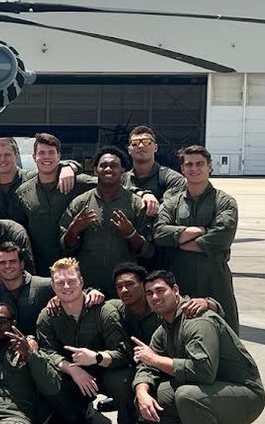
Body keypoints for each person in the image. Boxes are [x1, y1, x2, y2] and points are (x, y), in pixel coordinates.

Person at [132, 270, 265, 424]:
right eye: (149, 293)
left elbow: (202, 372)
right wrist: (142, 391)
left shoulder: (198, 321)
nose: (154, 297)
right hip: (213, 392)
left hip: (245, 397)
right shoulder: (165, 328)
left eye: (160, 290)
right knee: (151, 398)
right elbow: (147, 368)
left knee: (188, 395)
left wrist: (154, 359)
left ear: (175, 291)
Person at [36, 258, 134, 424]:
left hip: (105, 370)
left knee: (122, 377)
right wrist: (73, 370)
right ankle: (75, 415)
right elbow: (46, 351)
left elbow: (123, 353)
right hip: (74, 375)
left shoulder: (104, 311)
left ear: (81, 282)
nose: (66, 287)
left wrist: (96, 358)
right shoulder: (48, 316)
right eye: (60, 283)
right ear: (53, 286)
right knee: (45, 373)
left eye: (72, 281)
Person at [153, 144, 241, 332]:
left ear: (209, 166)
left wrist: (180, 242)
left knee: (223, 330)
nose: (194, 169)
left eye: (199, 164)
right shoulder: (172, 203)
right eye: (189, 164)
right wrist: (198, 230)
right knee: (177, 330)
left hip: (213, 278)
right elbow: (159, 233)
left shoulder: (224, 202)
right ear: (182, 169)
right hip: (179, 278)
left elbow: (222, 237)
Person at [61, 146, 153, 297]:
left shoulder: (136, 204)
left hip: (125, 287)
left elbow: (149, 250)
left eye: (114, 165)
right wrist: (74, 230)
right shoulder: (80, 203)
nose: (108, 169)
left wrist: (131, 234)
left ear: (123, 170)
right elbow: (65, 248)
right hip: (88, 286)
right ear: (95, 170)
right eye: (103, 165)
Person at [8, 132, 96, 276]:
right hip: (39, 269)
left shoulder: (77, 183)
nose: (46, 157)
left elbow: (109, 184)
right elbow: (15, 227)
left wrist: (143, 194)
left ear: (59, 156)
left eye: (51, 152)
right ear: (34, 157)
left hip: (77, 267)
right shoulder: (23, 193)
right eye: (41, 153)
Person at [0, 243, 55, 339]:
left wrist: (58, 297)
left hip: (40, 348)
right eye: (3, 262)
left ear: (22, 264)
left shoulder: (44, 286)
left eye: (13, 261)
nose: (8, 266)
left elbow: (72, 291)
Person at [122, 126, 186, 217]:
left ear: (155, 148)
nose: (140, 146)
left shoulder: (173, 179)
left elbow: (168, 211)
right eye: (134, 143)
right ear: (129, 150)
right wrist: (141, 194)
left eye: (146, 142)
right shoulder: (121, 180)